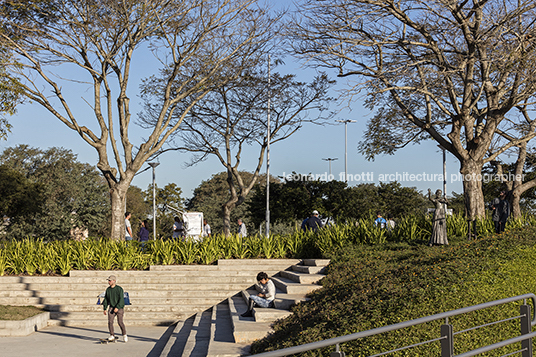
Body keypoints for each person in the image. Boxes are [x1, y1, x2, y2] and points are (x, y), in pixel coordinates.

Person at [103, 275, 127, 342]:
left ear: (114, 281)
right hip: (111, 307)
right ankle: (112, 335)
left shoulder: (119, 289)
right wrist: (105, 308)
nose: (109, 282)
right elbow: (106, 299)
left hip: (119, 308)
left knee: (120, 322)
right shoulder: (108, 290)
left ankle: (124, 334)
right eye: (108, 281)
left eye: (110, 280)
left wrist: (118, 307)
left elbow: (121, 299)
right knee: (110, 322)